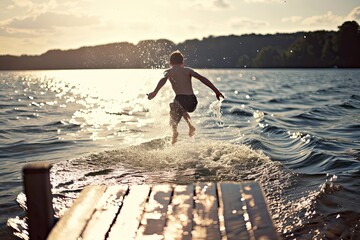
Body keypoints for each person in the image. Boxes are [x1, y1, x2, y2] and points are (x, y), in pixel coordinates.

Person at [147, 50, 224, 144]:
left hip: (180, 99)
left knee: (174, 110)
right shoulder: (188, 70)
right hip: (193, 101)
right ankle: (190, 125)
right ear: (182, 62)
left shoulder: (169, 71)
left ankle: (175, 132)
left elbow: (163, 79)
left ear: (170, 63)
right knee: (181, 107)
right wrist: (216, 91)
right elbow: (202, 78)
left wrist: (155, 92)